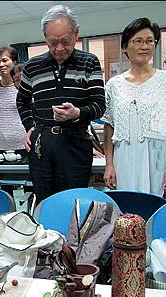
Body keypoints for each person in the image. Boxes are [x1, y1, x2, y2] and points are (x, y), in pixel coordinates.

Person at [16, 5, 106, 205]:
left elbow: (100, 105)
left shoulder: (89, 62)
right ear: (45, 38)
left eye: (65, 41)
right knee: (45, 202)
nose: (58, 49)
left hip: (76, 143)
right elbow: (21, 100)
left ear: (76, 33)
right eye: (52, 42)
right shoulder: (32, 66)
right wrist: (30, 126)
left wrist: (76, 113)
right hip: (42, 145)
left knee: (74, 203)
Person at [102, 18, 166, 196]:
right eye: (138, 41)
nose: (144, 46)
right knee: (127, 212)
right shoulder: (114, 85)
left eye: (149, 41)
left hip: (158, 158)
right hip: (124, 158)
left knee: (155, 210)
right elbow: (109, 127)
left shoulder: (164, 81)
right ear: (125, 47)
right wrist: (109, 165)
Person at [0, 47, 26, 156]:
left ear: (14, 62)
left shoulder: (25, 87)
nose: (1, 65)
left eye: (5, 60)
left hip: (24, 143)